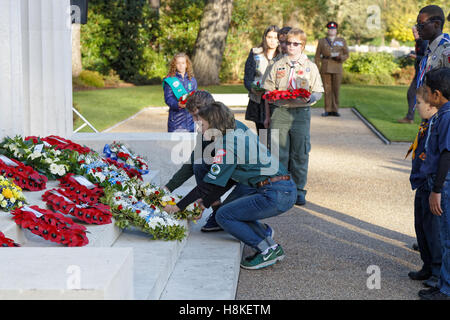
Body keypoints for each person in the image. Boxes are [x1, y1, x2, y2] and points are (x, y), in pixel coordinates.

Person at [164, 102, 297, 270]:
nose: (200, 129)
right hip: (278, 188)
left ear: (214, 125)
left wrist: (178, 207)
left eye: (203, 125)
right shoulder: (234, 133)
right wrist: (204, 203)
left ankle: (266, 250)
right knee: (230, 211)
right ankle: (269, 244)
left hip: (274, 192)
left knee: (224, 216)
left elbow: (208, 185)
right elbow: (220, 182)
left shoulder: (227, 145)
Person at [262, 28, 324, 206]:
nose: (291, 46)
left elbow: (318, 91)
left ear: (302, 46)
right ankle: (280, 188)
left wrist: (310, 97)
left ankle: (298, 190)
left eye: (295, 44)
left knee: (300, 153)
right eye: (288, 43)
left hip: (300, 113)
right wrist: (268, 113)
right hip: (280, 112)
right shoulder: (277, 65)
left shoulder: (310, 67)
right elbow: (267, 90)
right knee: (278, 152)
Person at [405, 85, 442, 290]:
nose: (415, 106)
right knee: (420, 224)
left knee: (432, 227)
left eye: (419, 103)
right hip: (421, 180)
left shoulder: (437, 125)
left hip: (431, 181)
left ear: (431, 105)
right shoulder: (426, 123)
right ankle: (427, 264)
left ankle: (437, 270)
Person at [418, 67, 450, 300]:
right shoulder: (442, 113)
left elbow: (447, 154)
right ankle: (442, 282)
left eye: (427, 92)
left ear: (437, 94)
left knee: (447, 238)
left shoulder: (447, 116)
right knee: (442, 234)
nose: (426, 97)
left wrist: (437, 189)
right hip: (439, 183)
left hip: (445, 185)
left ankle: (446, 288)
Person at [244, 25, 281, 137]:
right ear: (264, 37)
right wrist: (252, 88)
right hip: (258, 100)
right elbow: (247, 77)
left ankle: (275, 154)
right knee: (263, 136)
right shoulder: (255, 53)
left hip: (276, 100)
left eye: (276, 37)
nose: (272, 40)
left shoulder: (283, 56)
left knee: (276, 135)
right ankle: (263, 154)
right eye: (269, 37)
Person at [314, 21, 349, 117]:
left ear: (336, 30)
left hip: (337, 66)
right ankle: (327, 109)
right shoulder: (322, 41)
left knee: (336, 89)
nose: (332, 30)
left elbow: (346, 54)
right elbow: (317, 56)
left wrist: (341, 58)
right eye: (330, 29)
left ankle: (335, 109)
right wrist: (316, 68)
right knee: (327, 89)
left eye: (333, 29)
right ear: (327, 30)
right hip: (326, 67)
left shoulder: (342, 41)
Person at [398, 26, 429, 124]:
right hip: (419, 73)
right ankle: (411, 117)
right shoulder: (419, 42)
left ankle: (412, 117)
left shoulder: (424, 42)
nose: (415, 35)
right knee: (413, 94)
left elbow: (428, 59)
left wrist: (415, 56)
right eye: (413, 33)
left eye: (416, 32)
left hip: (423, 74)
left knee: (413, 94)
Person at [414, 5, 449, 90]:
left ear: (436, 24)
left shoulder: (446, 50)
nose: (417, 28)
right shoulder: (430, 49)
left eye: (421, 25)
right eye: (417, 25)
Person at [163, 53, 198, 132]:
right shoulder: (170, 80)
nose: (181, 65)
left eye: (183, 63)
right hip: (176, 119)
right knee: (176, 143)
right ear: (174, 65)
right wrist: (177, 104)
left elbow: (195, 96)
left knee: (191, 142)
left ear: (187, 64)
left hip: (190, 118)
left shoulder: (192, 80)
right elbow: (168, 98)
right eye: (178, 63)